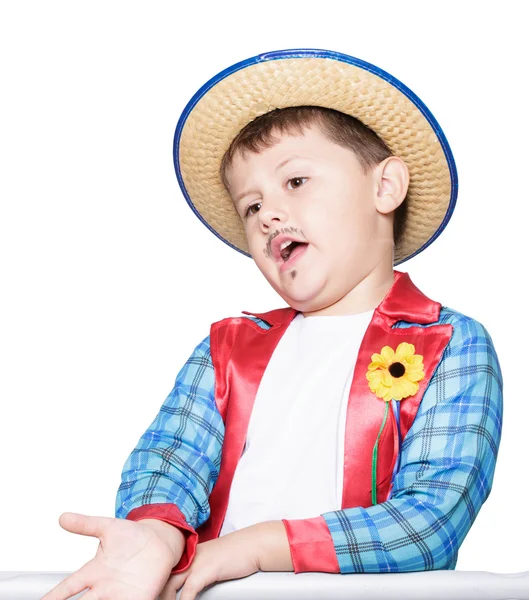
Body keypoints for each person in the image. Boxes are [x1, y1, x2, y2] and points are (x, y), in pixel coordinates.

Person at [42, 49, 503, 600]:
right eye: (251, 206)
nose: (268, 215)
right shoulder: (227, 347)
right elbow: (170, 458)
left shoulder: (450, 344)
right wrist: (156, 534)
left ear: (385, 188)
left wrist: (254, 547)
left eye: (296, 181)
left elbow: (429, 523)